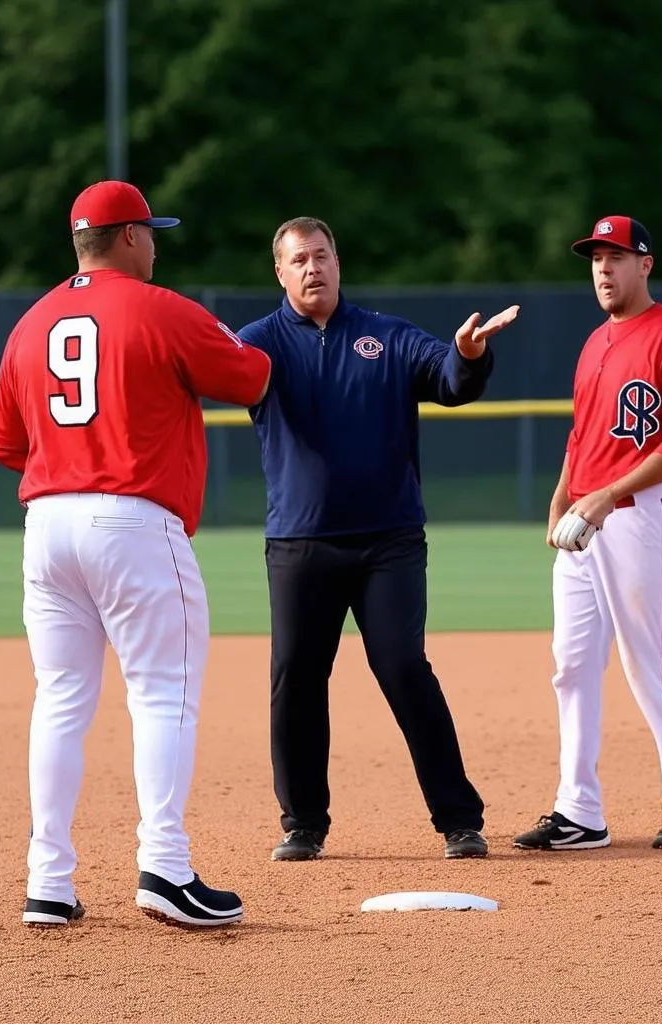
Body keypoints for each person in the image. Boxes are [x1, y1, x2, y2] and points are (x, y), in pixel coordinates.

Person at [0, 179, 273, 927]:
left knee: (60, 702)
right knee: (162, 694)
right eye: (150, 230)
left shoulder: (29, 324)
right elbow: (250, 375)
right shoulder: (161, 309)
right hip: (133, 519)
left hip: (46, 523)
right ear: (127, 237)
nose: (156, 242)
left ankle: (46, 881)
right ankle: (165, 869)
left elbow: (7, 446)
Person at [235, 216, 519, 861]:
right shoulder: (258, 345)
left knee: (402, 667)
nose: (313, 268)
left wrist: (469, 355)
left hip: (387, 541)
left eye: (323, 256)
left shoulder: (384, 337)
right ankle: (303, 821)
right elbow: (210, 369)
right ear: (279, 272)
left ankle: (459, 820)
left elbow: (448, 379)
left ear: (339, 262)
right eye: (299, 259)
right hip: (301, 542)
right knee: (298, 677)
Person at [512, 215, 662, 853]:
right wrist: (562, 496)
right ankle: (579, 810)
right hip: (584, 523)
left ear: (645, 264)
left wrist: (604, 496)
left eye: (617, 256)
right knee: (570, 666)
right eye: (596, 257)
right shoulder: (595, 342)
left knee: (647, 660)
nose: (604, 268)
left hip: (641, 516)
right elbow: (583, 434)